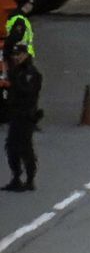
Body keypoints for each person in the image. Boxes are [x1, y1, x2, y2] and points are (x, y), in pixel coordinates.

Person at [3, 41, 41, 192]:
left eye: (19, 54)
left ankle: (30, 179)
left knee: (25, 147)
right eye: (14, 54)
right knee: (11, 147)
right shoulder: (16, 71)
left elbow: (29, 92)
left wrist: (14, 83)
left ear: (26, 55)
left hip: (26, 115)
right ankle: (16, 177)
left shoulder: (30, 73)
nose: (16, 57)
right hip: (15, 114)